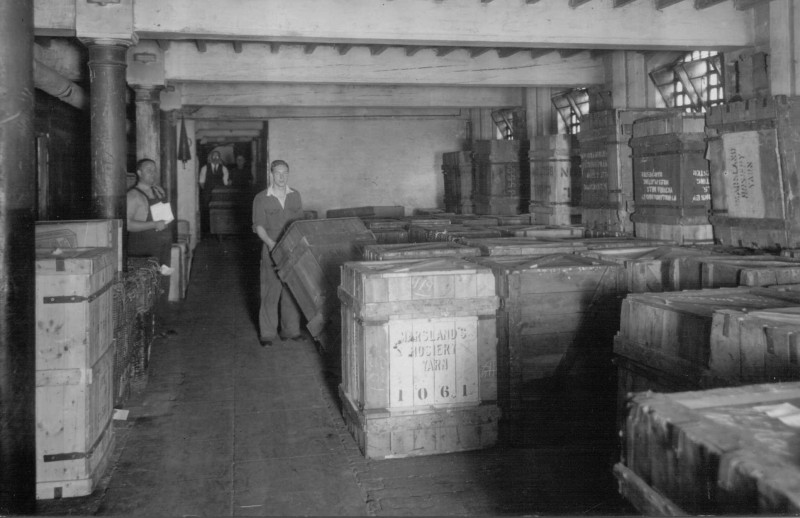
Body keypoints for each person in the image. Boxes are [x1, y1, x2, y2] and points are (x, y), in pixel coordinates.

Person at [252, 160, 304, 346]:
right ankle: (267, 334)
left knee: (291, 290)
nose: (282, 177)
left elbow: (299, 224)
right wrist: (271, 244)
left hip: (292, 249)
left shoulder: (295, 195)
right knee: (270, 291)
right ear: (271, 174)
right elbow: (258, 226)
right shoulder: (261, 198)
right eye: (278, 173)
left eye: (285, 173)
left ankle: (290, 330)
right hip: (271, 248)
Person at [127, 158, 174, 276]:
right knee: (149, 287)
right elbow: (127, 224)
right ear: (139, 173)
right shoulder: (133, 195)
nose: (153, 173)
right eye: (149, 170)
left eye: (154, 170)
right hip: (144, 251)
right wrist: (154, 224)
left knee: (163, 284)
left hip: (162, 248)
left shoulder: (158, 191)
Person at [198, 150, 230, 235]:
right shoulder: (204, 168)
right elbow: (201, 182)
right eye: (214, 156)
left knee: (219, 211)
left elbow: (226, 183)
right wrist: (207, 192)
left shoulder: (224, 168)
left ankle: (220, 231)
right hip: (207, 193)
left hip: (219, 195)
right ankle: (207, 232)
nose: (215, 158)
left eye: (217, 157)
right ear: (210, 158)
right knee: (206, 211)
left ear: (220, 158)